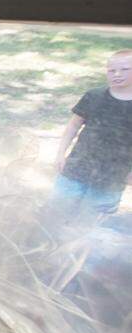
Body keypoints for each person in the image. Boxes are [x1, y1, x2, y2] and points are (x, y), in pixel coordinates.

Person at [52, 50, 132, 215]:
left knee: (94, 220)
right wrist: (61, 153)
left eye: (125, 69)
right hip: (77, 166)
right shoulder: (94, 96)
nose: (117, 74)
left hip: (113, 175)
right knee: (57, 212)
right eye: (111, 70)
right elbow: (73, 127)